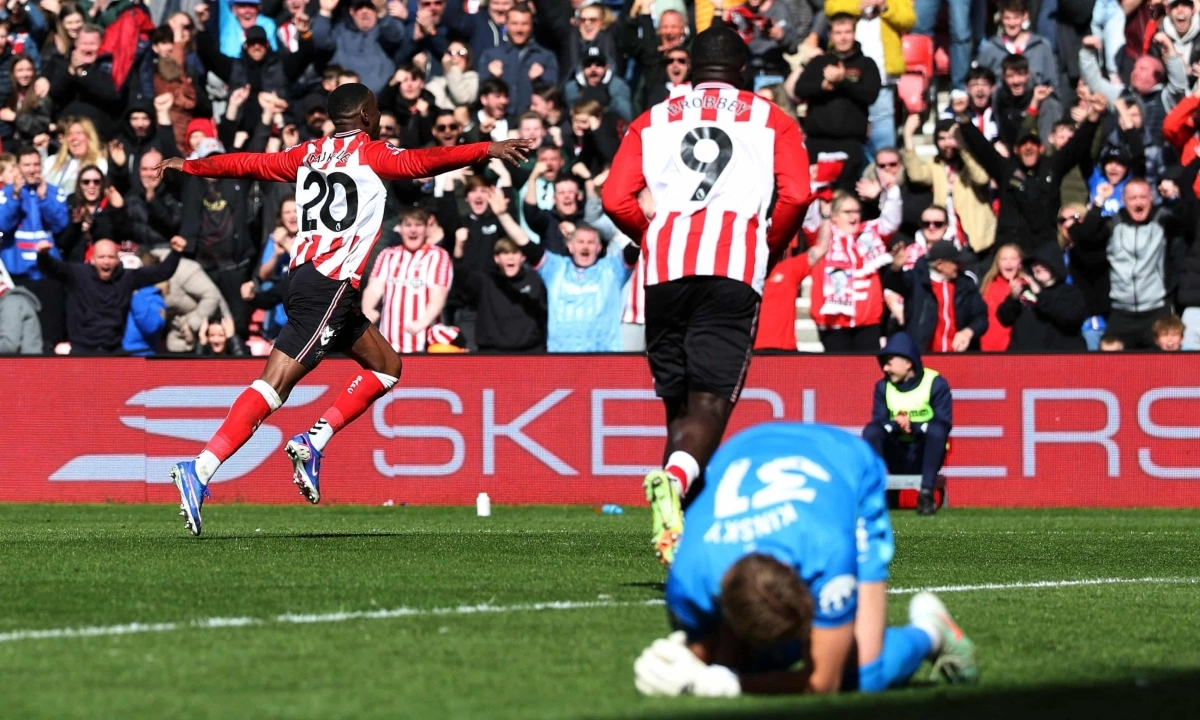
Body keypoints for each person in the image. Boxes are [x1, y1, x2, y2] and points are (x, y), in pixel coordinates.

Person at [154, 82, 532, 536]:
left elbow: (249, 164)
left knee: (387, 365)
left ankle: (313, 441)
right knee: (274, 385)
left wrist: (192, 166)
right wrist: (486, 148)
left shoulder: (308, 153)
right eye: (376, 111)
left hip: (314, 281)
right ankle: (201, 468)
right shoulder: (373, 153)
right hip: (329, 287)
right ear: (368, 118)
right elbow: (422, 160)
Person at [602, 26, 810, 565]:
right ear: (743, 70)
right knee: (712, 402)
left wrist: (651, 236)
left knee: (680, 404)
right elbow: (798, 194)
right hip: (731, 265)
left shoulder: (654, 117)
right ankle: (672, 482)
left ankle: (679, 536)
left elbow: (614, 196)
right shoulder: (771, 118)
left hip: (664, 268)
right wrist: (769, 243)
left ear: (690, 68)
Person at [635, 422, 977, 697]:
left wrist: (728, 683)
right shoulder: (689, 577)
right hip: (746, 447)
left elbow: (823, 684)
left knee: (862, 675)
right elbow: (703, 657)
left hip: (845, 461)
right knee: (739, 661)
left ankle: (931, 632)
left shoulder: (827, 554)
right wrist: (686, 665)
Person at [35, 236, 186, 355]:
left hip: (113, 351)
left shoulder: (127, 277)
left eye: (111, 257)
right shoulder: (78, 274)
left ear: (117, 260)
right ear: (93, 259)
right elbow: (52, 268)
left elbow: (161, 272)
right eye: (101, 257)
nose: (106, 262)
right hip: (81, 350)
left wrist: (176, 253)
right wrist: (43, 255)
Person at [863, 333, 952, 515]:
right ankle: (878, 492)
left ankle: (926, 494)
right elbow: (879, 420)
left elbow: (944, 422)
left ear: (908, 363)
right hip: (896, 452)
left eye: (890, 363)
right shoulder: (883, 386)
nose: (885, 368)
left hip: (925, 452)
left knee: (937, 430)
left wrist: (914, 425)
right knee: (871, 432)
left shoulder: (935, 383)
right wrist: (896, 424)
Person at [793, 13, 880, 191]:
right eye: (838, 32)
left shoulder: (866, 64)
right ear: (830, 35)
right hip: (817, 142)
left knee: (845, 195)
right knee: (813, 195)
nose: (843, 37)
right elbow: (799, 90)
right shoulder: (819, 62)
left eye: (847, 32)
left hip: (850, 143)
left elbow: (871, 95)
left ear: (854, 33)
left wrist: (843, 81)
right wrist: (823, 86)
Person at [361, 206, 459, 353]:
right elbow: (374, 288)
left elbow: (439, 294)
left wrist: (423, 322)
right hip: (388, 343)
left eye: (418, 225)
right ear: (400, 228)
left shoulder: (438, 256)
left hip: (423, 344)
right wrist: (367, 310)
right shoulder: (387, 255)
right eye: (408, 225)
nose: (413, 230)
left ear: (426, 228)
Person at [885, 240, 989, 353]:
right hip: (924, 354)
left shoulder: (966, 285)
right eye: (955, 262)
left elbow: (980, 317)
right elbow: (893, 282)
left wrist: (968, 332)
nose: (959, 266)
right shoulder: (916, 281)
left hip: (958, 355)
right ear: (940, 264)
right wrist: (895, 268)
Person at [996, 244, 1089, 351]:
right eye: (1035, 263)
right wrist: (1013, 299)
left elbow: (1072, 318)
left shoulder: (1070, 292)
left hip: (1058, 360)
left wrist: (1040, 295)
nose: (1038, 267)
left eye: (1043, 263)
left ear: (1054, 264)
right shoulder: (1025, 291)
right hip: (1024, 360)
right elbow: (1004, 319)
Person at [977, 244, 1023, 352]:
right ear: (998, 263)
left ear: (1020, 263)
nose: (1008, 262)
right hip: (993, 347)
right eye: (1004, 259)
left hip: (1019, 347)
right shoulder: (989, 287)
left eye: (1013, 259)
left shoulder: (1027, 285)